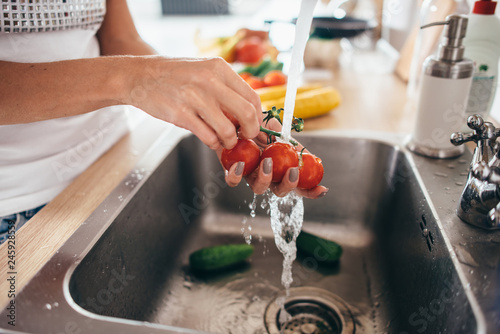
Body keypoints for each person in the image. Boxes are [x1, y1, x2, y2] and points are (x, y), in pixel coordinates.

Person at [0, 0, 328, 244]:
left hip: (109, 168)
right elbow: (129, 71)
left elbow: (119, 39)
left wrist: (215, 111)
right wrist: (135, 78)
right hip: (17, 205)